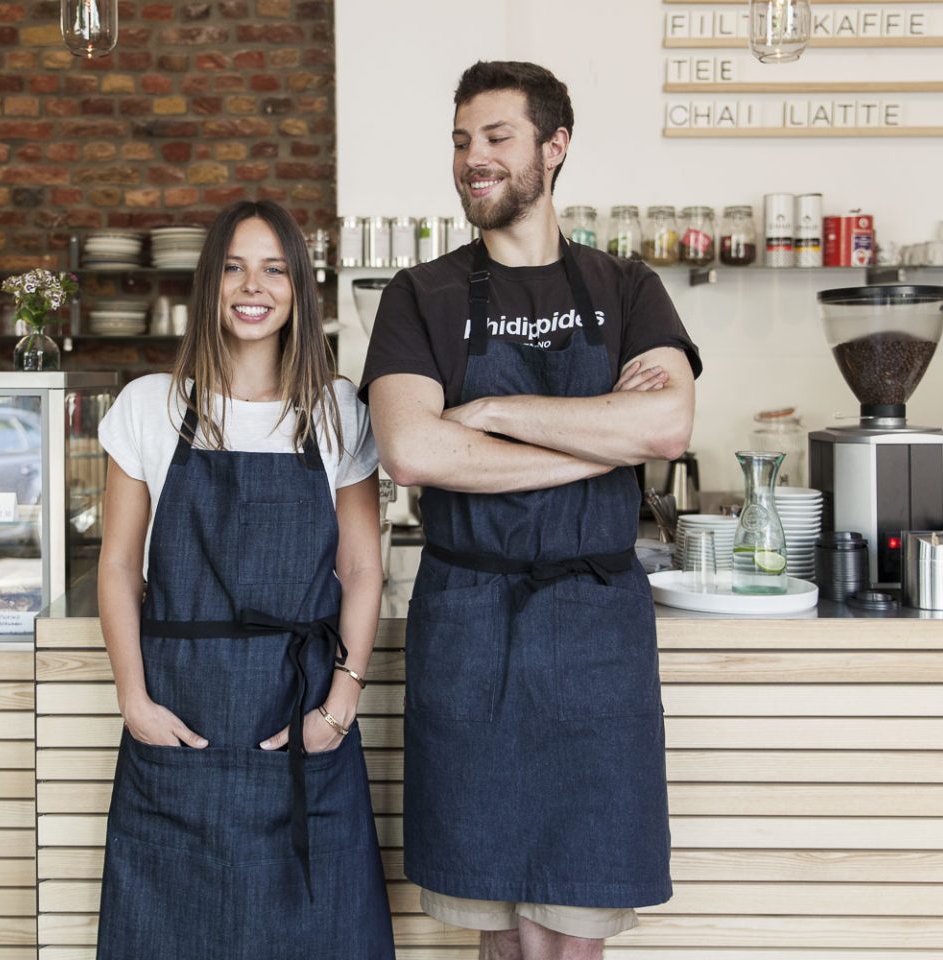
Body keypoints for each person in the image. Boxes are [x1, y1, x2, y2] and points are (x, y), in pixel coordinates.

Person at [362, 61, 702, 959]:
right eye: (462, 141)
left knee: (575, 927)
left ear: (554, 149)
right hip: (471, 623)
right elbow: (412, 450)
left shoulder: (626, 288)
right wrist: (599, 440)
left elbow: (666, 422)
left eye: (497, 137)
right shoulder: (419, 295)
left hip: (596, 628)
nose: (474, 158)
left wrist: (493, 414)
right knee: (499, 929)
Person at [94, 199, 396, 959]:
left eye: (272, 268)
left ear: (299, 286)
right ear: (209, 284)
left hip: (300, 718)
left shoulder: (337, 412)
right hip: (180, 717)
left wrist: (340, 703)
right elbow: (119, 564)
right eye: (232, 267)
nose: (250, 286)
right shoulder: (149, 408)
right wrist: (133, 698)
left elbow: (362, 568)